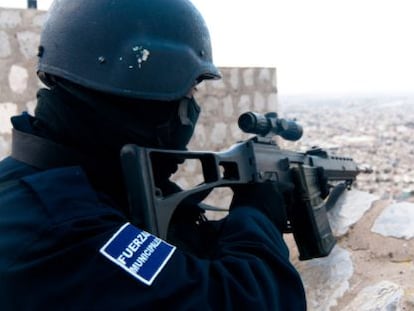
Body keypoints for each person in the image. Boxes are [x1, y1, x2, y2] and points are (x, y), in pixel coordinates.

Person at [0, 0, 306, 309]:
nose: (191, 107)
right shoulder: (61, 228)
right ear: (149, 92)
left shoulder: (49, 186)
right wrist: (257, 214)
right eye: (191, 91)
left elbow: (166, 275)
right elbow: (244, 300)